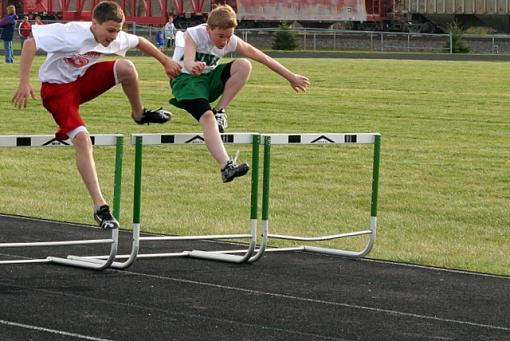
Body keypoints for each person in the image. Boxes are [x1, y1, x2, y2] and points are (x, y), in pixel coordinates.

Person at [11, 1, 181, 229]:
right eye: (110, 30)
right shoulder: (71, 33)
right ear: (94, 24)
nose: (113, 37)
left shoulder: (115, 37)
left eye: (118, 31)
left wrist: (166, 61)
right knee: (82, 139)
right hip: (57, 91)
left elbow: (140, 41)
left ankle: (139, 114)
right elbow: (31, 43)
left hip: (82, 82)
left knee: (127, 68)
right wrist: (24, 82)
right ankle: (100, 207)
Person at [169, 5, 309, 183]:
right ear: (209, 28)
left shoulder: (231, 40)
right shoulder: (195, 34)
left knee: (244, 65)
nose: (224, 42)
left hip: (208, 80)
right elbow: (188, 60)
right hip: (185, 81)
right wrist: (193, 65)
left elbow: (261, 57)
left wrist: (291, 76)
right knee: (207, 118)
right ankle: (226, 166)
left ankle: (220, 110)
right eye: (221, 36)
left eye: (228, 37)